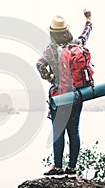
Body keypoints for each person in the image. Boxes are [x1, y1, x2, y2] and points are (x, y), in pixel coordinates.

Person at [37, 10, 92, 178]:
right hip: (76, 95)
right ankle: (72, 167)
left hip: (58, 97)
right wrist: (88, 19)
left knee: (58, 131)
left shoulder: (51, 50)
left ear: (52, 33)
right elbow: (86, 33)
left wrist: (50, 77)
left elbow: (39, 64)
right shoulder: (76, 44)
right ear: (66, 30)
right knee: (74, 131)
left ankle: (58, 167)